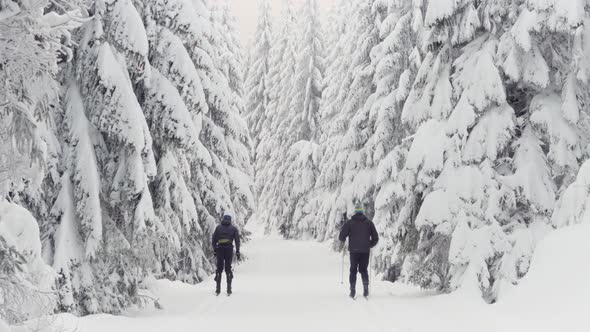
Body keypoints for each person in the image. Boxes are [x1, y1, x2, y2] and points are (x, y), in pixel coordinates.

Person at [338, 205, 379, 298]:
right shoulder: (369, 223)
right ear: (362, 212)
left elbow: (341, 236)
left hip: (354, 251)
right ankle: (366, 289)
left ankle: (352, 290)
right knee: (363, 270)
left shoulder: (349, 223)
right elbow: (376, 238)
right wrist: (369, 244)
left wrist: (343, 241)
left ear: (355, 212)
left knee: (353, 270)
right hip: (365, 251)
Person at [212, 214, 241, 295]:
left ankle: (218, 289)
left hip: (219, 249)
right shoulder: (233, 228)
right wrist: (238, 251)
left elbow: (213, 239)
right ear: (230, 220)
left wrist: (215, 249)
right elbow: (237, 241)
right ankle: (229, 289)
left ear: (223, 220)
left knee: (219, 268)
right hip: (229, 249)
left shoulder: (218, 228)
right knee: (228, 268)